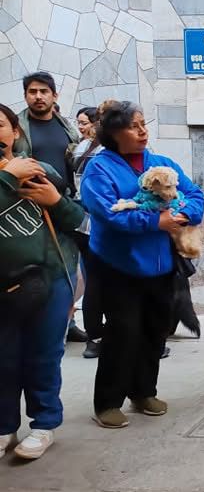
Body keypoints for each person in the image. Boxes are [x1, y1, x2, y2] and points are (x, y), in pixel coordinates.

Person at [80, 101, 204, 428]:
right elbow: (108, 213)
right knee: (122, 333)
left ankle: (143, 391)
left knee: (155, 331)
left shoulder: (161, 163)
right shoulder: (99, 169)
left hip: (161, 266)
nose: (143, 130)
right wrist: (157, 221)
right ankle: (107, 402)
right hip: (118, 266)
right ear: (113, 133)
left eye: (143, 123)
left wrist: (183, 214)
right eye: (134, 126)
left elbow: (194, 195)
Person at [0, 104, 83, 460]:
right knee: (4, 359)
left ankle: (44, 423)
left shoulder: (38, 171)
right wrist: (6, 179)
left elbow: (77, 218)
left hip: (50, 277)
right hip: (3, 287)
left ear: (15, 132)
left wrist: (55, 201)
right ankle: (4, 427)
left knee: (43, 355)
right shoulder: (11, 176)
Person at [13, 72, 85, 345]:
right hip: (29, 205)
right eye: (32, 91)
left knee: (69, 266)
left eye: (44, 91)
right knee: (36, 265)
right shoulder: (17, 127)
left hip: (63, 203)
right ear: (26, 96)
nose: (38, 96)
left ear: (55, 96)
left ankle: (68, 322)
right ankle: (35, 324)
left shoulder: (65, 126)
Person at [72, 106, 105, 359]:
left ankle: (94, 338)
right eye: (80, 123)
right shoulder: (103, 151)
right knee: (104, 282)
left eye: (84, 123)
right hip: (99, 224)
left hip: (82, 224)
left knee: (93, 280)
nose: (81, 127)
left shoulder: (78, 149)